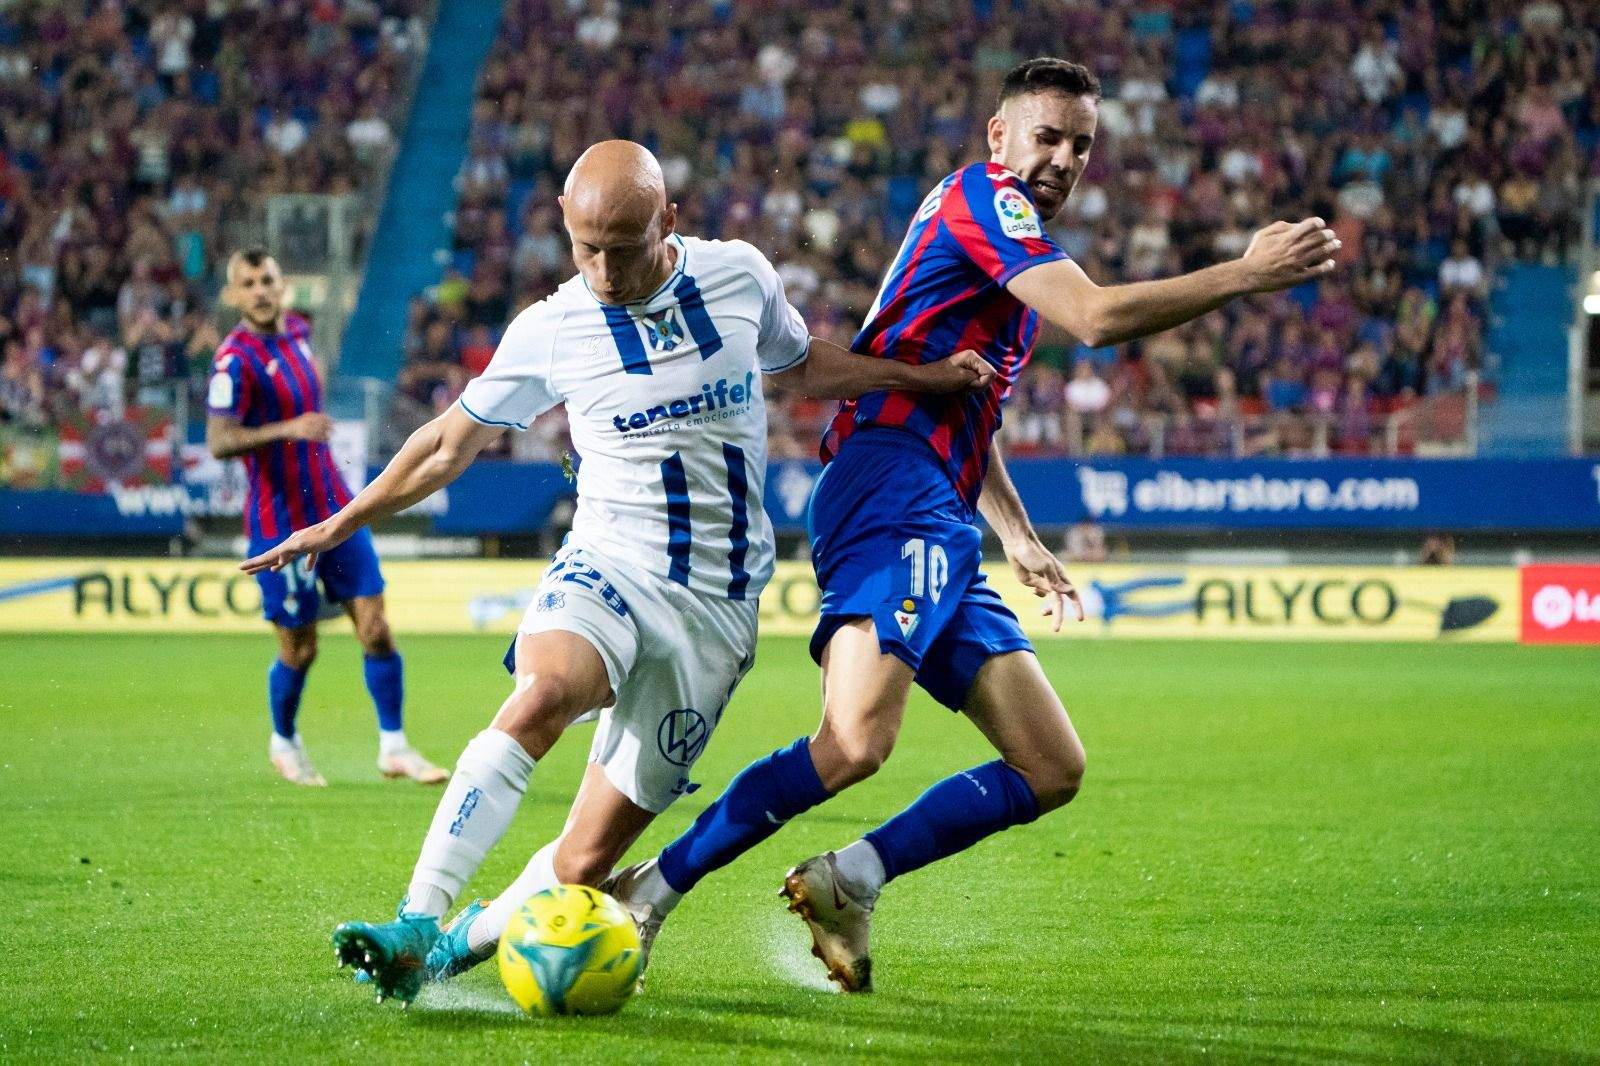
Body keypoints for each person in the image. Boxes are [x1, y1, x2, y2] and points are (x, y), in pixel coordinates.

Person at [604, 57, 1340, 992]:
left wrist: (1019, 534)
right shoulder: (989, 200)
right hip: (887, 487)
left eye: (1081, 145)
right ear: (1000, 137)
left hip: (937, 506)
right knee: (855, 743)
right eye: (1048, 136)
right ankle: (653, 888)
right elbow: (1100, 319)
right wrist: (1244, 272)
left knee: (1050, 765)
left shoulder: (998, 247)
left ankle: (851, 879)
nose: (1064, 158)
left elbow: (968, 410)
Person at [240, 140, 992, 1004]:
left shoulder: (738, 276)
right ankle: (416, 915)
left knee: (588, 860)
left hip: (716, 607)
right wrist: (342, 520)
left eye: (623, 247)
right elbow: (449, 441)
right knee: (544, 691)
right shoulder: (551, 328)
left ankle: (447, 953)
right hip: (610, 561)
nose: (602, 268)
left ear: (669, 221)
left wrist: (919, 377)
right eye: (584, 246)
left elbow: (800, 363)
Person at [208, 250, 446, 788]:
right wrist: (287, 428)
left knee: (378, 629)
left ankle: (394, 747)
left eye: (268, 279)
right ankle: (284, 741)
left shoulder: (296, 331)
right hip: (281, 523)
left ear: (282, 284)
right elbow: (220, 440)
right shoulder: (233, 360)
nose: (261, 290)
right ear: (235, 296)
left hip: (334, 509)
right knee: (301, 648)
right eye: (249, 284)